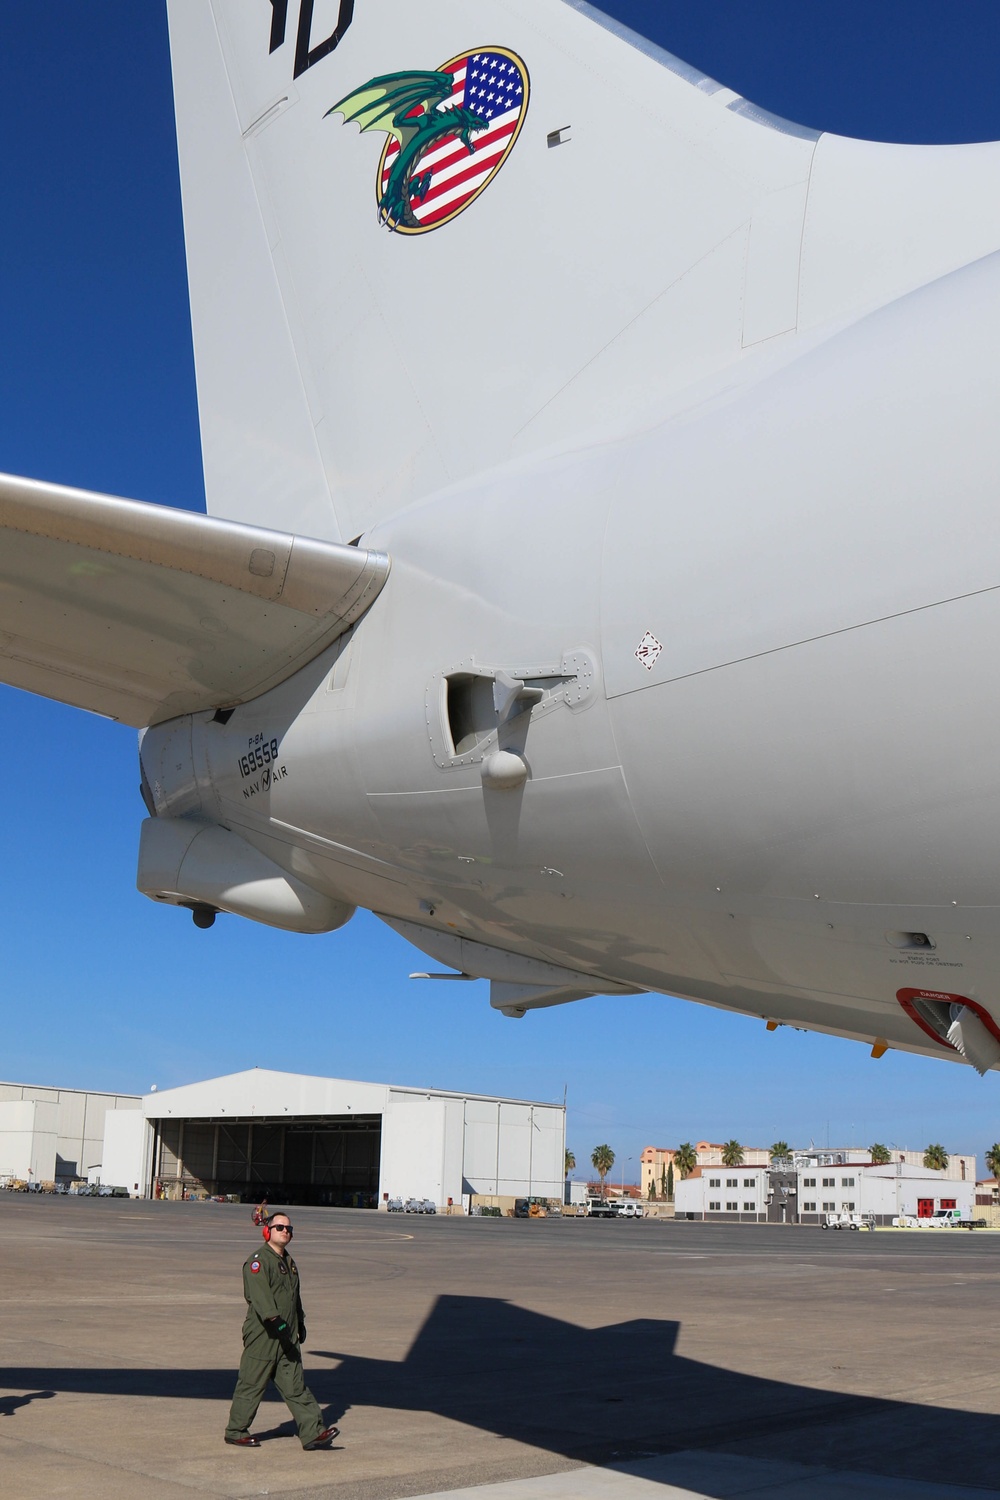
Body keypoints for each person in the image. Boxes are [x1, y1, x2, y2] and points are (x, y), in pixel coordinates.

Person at [224, 1208, 338, 1450]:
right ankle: (236, 1431)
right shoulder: (258, 1261)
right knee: (252, 1384)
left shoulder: (289, 1262)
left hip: (287, 1335)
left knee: (296, 1386)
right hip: (263, 1335)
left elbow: (294, 1297)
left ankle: (313, 1433)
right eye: (280, 1227)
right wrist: (275, 1320)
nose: (285, 1231)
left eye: (289, 1228)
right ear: (268, 1231)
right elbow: (259, 1296)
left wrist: (300, 1322)